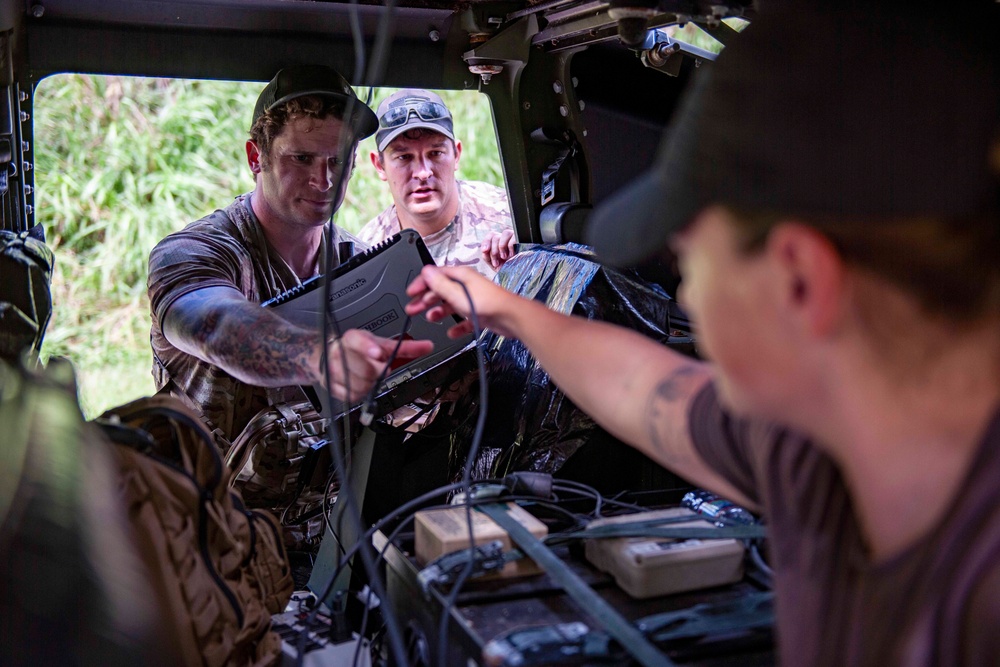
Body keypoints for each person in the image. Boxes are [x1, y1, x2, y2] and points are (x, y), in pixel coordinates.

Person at [405, 2, 1000, 665]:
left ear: (799, 281)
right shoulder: (821, 446)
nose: (686, 296)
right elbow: (643, 386)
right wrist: (503, 305)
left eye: (689, 262)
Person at [148, 65, 433, 445]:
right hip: (209, 499)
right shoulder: (195, 253)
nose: (324, 181)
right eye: (301, 158)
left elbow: (393, 399)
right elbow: (215, 324)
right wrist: (319, 358)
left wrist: (431, 388)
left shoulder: (362, 265)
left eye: (337, 161)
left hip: (329, 499)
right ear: (256, 158)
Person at [356, 89, 516, 279]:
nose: (423, 173)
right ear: (379, 165)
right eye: (404, 157)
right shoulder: (366, 253)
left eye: (436, 153)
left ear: (456, 154)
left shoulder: (510, 220)